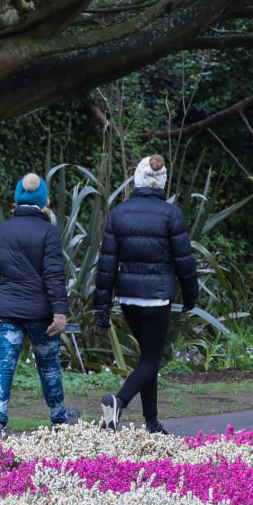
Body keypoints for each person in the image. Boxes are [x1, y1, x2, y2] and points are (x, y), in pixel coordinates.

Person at [93, 154, 196, 432]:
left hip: (127, 298)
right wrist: (191, 295)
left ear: (136, 180)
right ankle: (119, 401)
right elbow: (184, 261)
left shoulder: (119, 213)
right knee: (152, 359)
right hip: (157, 297)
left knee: (146, 357)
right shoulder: (171, 214)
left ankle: (151, 421)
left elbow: (106, 265)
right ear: (161, 183)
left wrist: (101, 307)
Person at [0, 172, 75, 440]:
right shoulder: (48, 232)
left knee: (3, 366)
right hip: (41, 314)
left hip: (7, 309)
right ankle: (59, 420)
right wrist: (59, 312)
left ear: (17, 200)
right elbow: (54, 276)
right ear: (43, 201)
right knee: (48, 368)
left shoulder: (2, 230)